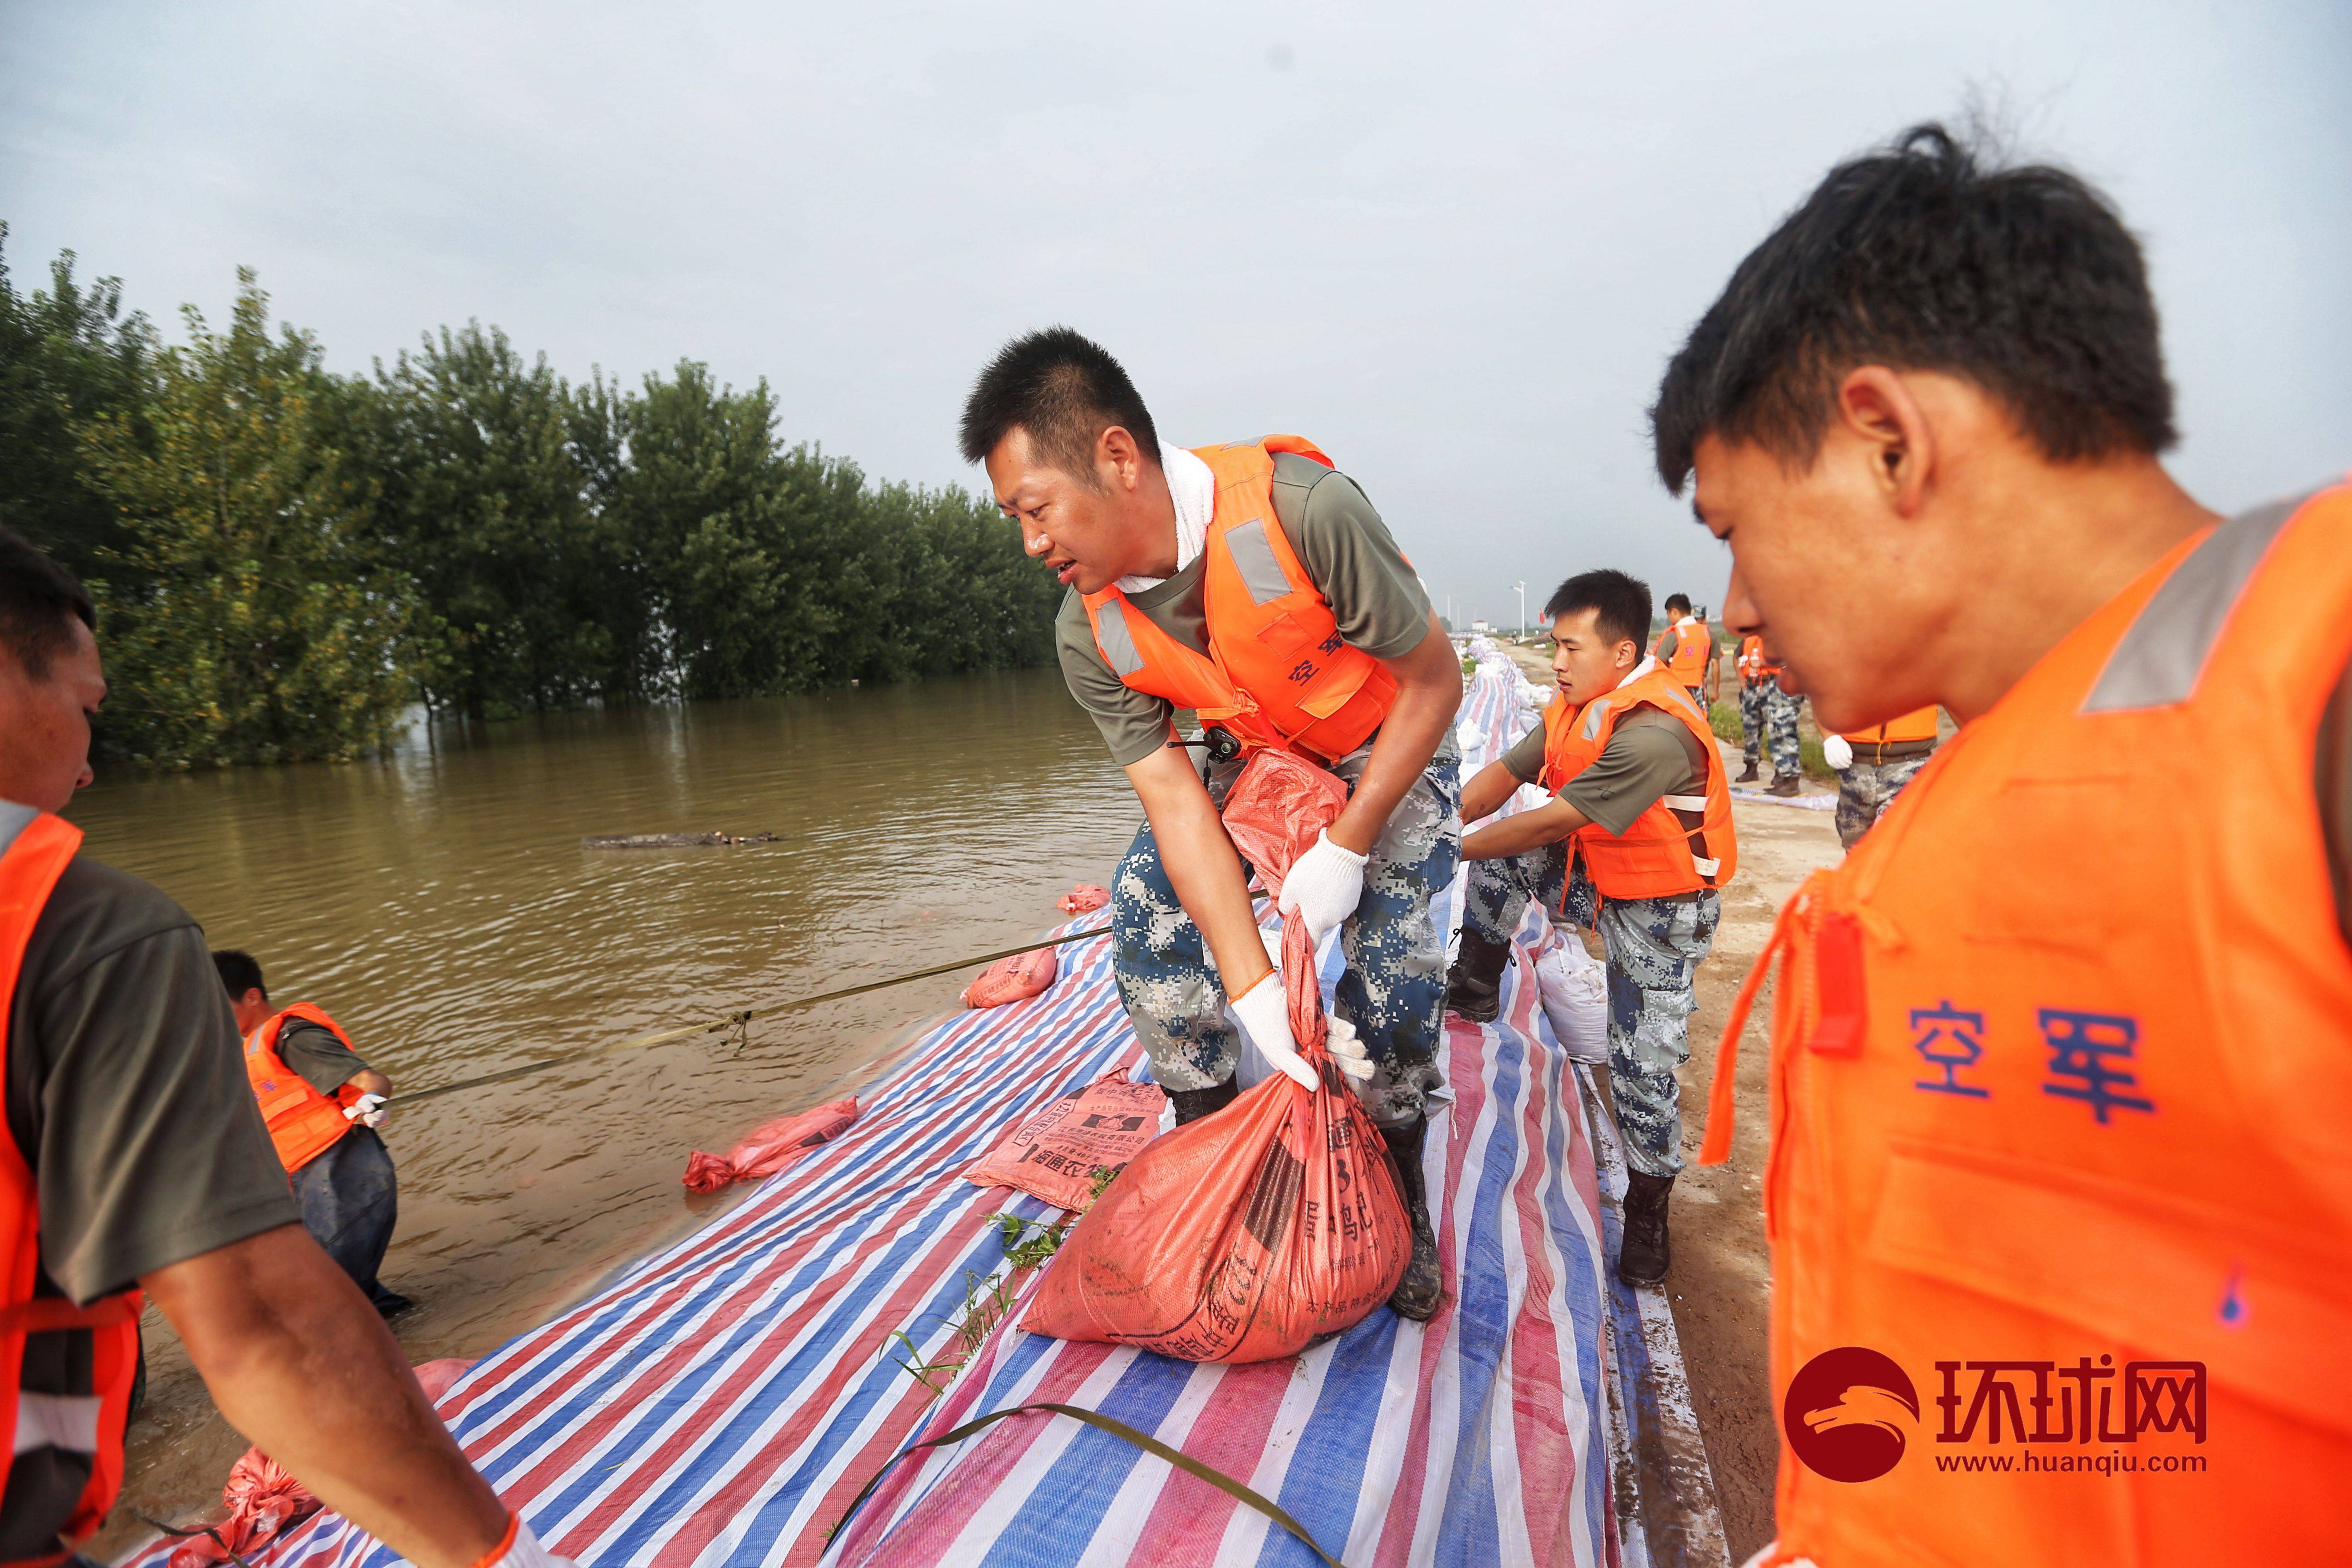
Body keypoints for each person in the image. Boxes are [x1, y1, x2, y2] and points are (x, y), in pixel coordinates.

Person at [1656, 123, 2347, 1562]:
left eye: (1737, 531)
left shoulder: (2313, 695)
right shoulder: (1972, 790)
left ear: (1887, 439)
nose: (1733, 613)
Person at [0, 526, 569, 1568]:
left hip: (333, 1181)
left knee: (351, 1285)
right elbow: (262, 1316)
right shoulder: (76, 931)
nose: (87, 766)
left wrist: (361, 1114)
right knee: (338, 1298)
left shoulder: (287, 1032)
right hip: (298, 1206)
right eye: (86, 710)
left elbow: (366, 1091)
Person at [959, 328, 1464, 1321]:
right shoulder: (1086, 628)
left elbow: (1434, 681)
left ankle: (1400, 1174)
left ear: (1116, 456)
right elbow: (1176, 800)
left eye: (1034, 509)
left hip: (1383, 749)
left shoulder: (1301, 512)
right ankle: (1208, 1131)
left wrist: (1351, 845)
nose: (1030, 542)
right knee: (1147, 907)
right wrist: (1254, 988)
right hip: (1259, 768)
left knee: (1395, 976)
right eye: (1014, 519)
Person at [1446, 569, 1735, 1284]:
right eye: (1555, 646)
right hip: (1596, 874)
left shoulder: (1657, 732)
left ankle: (1648, 1209)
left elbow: (1555, 817)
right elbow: (1504, 780)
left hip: (1659, 908)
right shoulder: (1571, 708)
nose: (1561, 662)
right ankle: (1476, 984)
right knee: (1502, 863)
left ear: (1622, 651)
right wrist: (1441, 823)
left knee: (1641, 1061)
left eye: (1572, 648)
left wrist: (1441, 851)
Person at [212, 951, 411, 1317]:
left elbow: (372, 1079)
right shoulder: (249, 1052)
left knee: (324, 1299)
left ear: (253, 997)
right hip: (311, 1182)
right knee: (348, 1293)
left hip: (346, 1174)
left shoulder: (293, 1037)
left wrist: (373, 1100)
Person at [1821, 706, 1940, 849]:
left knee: (1896, 840)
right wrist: (1830, 737)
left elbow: (1964, 703)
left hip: (1910, 766)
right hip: (1856, 767)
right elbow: (1820, 691)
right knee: (1854, 842)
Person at [1732, 632, 1802, 789]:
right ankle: (1752, 767)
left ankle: (1783, 773)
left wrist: (1763, 664)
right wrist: (1741, 677)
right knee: (1750, 729)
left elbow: (1790, 660)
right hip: (1752, 686)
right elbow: (1737, 657)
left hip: (1772, 685)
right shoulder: (1749, 639)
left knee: (1778, 731)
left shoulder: (1778, 635)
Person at [1651, 593, 1715, 704]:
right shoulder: (1706, 633)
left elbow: (1659, 662)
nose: (1669, 618)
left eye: (1669, 614)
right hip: (1699, 690)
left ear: (1674, 612)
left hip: (1677, 690)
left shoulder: (1675, 634)